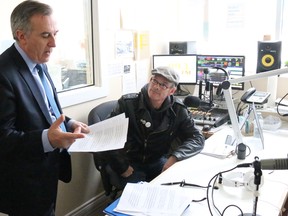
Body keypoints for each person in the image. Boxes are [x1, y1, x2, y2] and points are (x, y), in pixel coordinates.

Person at [0, 1, 90, 215]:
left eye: (55, 34)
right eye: (45, 36)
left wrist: (68, 122)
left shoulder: (39, 63)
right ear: (21, 36)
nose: (54, 44)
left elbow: (47, 110)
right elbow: (3, 137)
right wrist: (48, 139)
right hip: (23, 185)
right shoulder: (4, 73)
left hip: (47, 174)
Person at [104, 66, 205, 190]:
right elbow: (106, 137)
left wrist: (175, 157)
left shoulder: (178, 109)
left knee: (175, 188)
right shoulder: (127, 104)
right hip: (128, 162)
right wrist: (122, 166)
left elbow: (197, 138)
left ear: (171, 91)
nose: (156, 87)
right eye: (155, 81)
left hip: (157, 161)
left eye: (163, 85)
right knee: (138, 198)